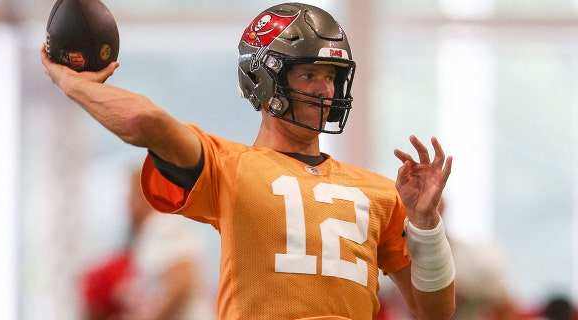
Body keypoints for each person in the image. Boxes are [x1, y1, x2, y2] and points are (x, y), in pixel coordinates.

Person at [42, 3, 456, 319]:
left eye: (331, 75)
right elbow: (142, 120)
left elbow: (434, 311)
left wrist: (426, 224)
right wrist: (69, 81)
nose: (326, 89)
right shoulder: (229, 166)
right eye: (309, 74)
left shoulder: (381, 190)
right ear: (265, 80)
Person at [81, 169, 214, 320]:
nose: (127, 205)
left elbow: (182, 285)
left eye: (131, 196)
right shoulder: (149, 235)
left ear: (145, 196)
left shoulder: (165, 227)